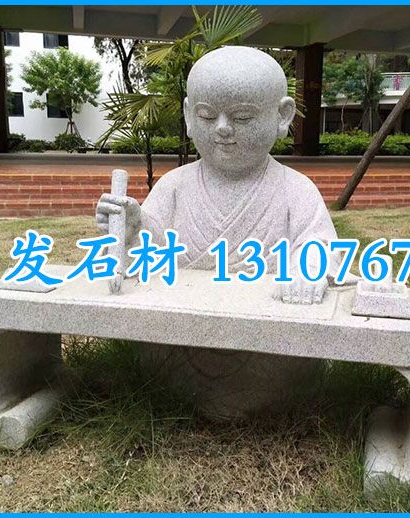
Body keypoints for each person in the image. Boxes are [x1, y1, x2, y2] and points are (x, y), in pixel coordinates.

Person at [95, 46, 343, 419]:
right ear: (188, 116)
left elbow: (318, 244)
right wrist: (134, 229)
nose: (223, 128)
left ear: (282, 116)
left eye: (242, 117)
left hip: (269, 353)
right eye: (207, 116)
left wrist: (306, 270)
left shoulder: (296, 189)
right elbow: (153, 248)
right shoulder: (174, 186)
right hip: (178, 345)